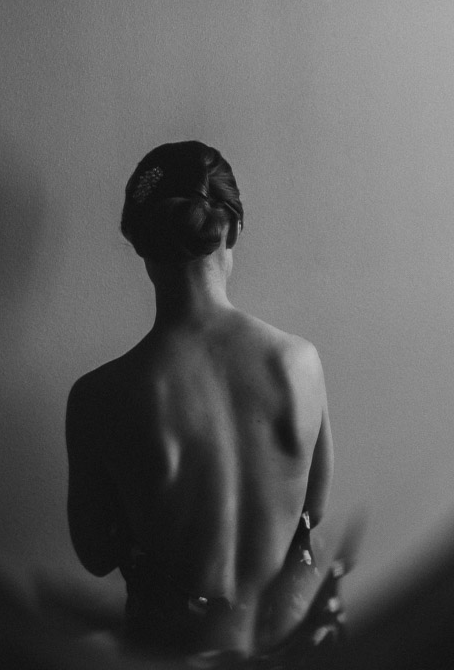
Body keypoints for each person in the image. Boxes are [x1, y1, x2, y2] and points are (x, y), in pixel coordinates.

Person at [65, 141, 340, 663]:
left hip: (173, 654)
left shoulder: (99, 398)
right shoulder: (301, 361)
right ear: (232, 229)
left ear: (141, 244)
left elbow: (95, 555)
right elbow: (315, 509)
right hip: (287, 650)